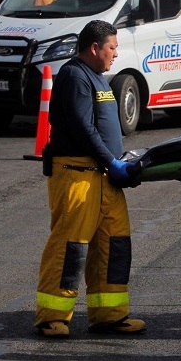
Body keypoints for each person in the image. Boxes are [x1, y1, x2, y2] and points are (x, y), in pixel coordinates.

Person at [35, 20, 144, 338]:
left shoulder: (95, 77)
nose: (115, 53)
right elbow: (83, 128)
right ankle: (52, 316)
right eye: (112, 47)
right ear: (94, 47)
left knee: (115, 243)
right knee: (71, 246)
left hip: (105, 177)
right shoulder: (74, 75)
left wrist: (117, 162)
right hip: (78, 176)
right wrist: (110, 158)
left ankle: (110, 315)